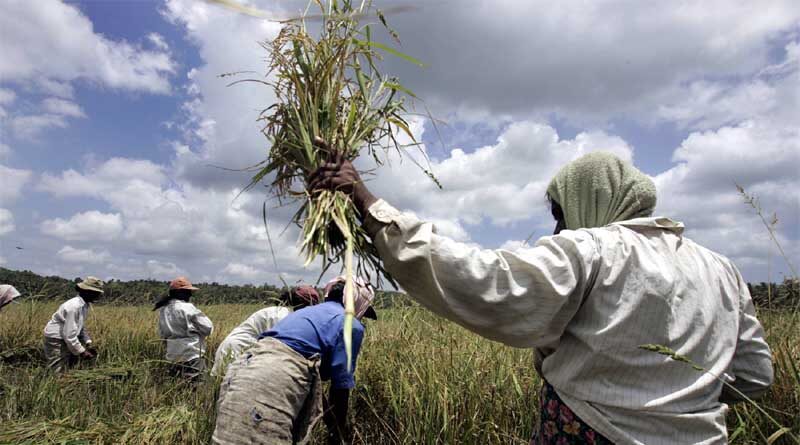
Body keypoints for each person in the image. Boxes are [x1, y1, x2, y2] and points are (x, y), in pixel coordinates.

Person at [310, 149, 774, 445]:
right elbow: (755, 373)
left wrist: (370, 204)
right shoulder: (722, 270)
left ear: (590, 200)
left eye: (560, 213)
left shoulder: (595, 249)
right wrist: (679, 402)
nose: (557, 228)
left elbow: (485, 281)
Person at [212, 276, 377, 445]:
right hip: (273, 381)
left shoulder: (303, 314)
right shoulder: (351, 324)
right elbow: (340, 390)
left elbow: (310, 378)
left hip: (240, 373)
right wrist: (338, 435)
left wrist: (330, 422)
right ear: (358, 303)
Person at [210, 285, 321, 376]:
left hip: (244, 355)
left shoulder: (285, 313)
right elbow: (280, 347)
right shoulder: (282, 315)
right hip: (236, 352)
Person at [154, 276, 213, 381]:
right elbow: (208, 328)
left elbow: (162, 335)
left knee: (177, 388)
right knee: (198, 388)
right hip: (191, 354)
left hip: (172, 356)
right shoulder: (188, 308)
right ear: (182, 293)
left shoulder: (163, 310)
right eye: (189, 292)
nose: (190, 295)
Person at [43, 276, 104, 372]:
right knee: (58, 368)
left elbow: (80, 326)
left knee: (68, 366)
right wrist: (82, 351)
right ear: (88, 292)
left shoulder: (84, 305)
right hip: (56, 339)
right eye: (96, 293)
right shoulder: (74, 306)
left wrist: (87, 341)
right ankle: (54, 383)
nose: (98, 296)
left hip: (65, 337)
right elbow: (69, 335)